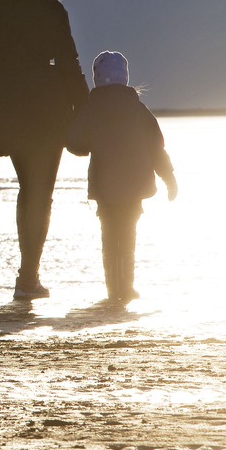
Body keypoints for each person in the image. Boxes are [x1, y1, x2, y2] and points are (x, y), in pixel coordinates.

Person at [0, 0, 89, 300]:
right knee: (40, 192)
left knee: (29, 189)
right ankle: (27, 275)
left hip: (6, 104)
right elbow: (69, 62)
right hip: (49, 106)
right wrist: (85, 112)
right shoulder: (51, 10)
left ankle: (26, 275)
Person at [66, 51, 178, 301]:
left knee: (109, 235)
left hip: (105, 186)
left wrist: (90, 144)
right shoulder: (138, 109)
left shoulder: (91, 109)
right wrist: (169, 177)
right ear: (125, 78)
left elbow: (74, 143)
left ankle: (113, 288)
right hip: (134, 185)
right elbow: (155, 147)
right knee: (128, 235)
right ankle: (125, 286)